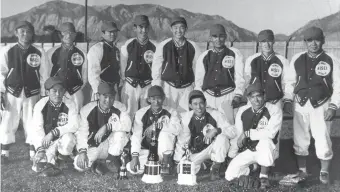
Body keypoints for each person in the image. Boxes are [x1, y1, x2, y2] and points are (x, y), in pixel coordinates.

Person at [282, 26, 340, 184]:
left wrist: (334, 106)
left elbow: (338, 86)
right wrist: (288, 99)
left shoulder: (332, 60)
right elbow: (290, 82)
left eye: (317, 39)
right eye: (309, 40)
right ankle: (302, 171)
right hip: (300, 104)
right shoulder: (297, 59)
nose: (313, 43)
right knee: (300, 138)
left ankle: (324, 172)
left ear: (323, 41)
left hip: (321, 105)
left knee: (322, 138)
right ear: (304, 42)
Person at [0, 21, 50, 163]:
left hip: (32, 93)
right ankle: (4, 153)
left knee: (32, 122)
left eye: (28, 31)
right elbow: (1, 73)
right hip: (12, 92)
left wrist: (44, 96)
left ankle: (33, 152)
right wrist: (0, 92)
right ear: (16, 33)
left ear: (32, 34)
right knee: (8, 120)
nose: (25, 34)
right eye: (22, 31)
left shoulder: (39, 52)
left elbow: (44, 76)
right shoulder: (7, 51)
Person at [225, 83, 282, 189]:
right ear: (248, 98)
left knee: (265, 141)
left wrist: (248, 133)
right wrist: (232, 155)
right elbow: (239, 135)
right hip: (249, 148)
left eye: (258, 96)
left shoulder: (274, 110)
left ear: (264, 96)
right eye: (252, 97)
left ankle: (264, 176)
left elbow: (270, 133)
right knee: (230, 175)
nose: (256, 100)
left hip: (267, 149)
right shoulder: (242, 111)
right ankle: (253, 167)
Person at [174, 90, 235, 180]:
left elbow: (233, 132)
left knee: (222, 138)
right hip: (197, 151)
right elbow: (183, 139)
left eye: (201, 103)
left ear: (205, 103)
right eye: (195, 104)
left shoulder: (215, 114)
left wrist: (217, 130)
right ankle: (206, 164)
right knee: (184, 170)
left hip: (213, 148)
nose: (199, 107)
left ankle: (216, 167)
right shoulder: (187, 118)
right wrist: (177, 159)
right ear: (190, 106)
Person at [74, 82, 131, 175]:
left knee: (120, 134)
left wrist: (107, 126)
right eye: (105, 96)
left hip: (112, 146)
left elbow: (128, 125)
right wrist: (82, 151)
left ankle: (111, 160)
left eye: (111, 97)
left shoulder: (120, 107)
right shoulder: (87, 109)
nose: (108, 100)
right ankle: (101, 163)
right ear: (98, 96)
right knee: (79, 165)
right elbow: (82, 132)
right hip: (94, 145)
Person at [195, 24, 245, 125]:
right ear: (210, 38)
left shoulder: (234, 53)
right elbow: (199, 80)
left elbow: (240, 78)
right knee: (206, 127)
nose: (218, 39)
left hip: (227, 96)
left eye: (221, 36)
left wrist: (238, 95)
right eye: (214, 36)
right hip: (208, 97)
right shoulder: (204, 56)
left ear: (225, 37)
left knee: (229, 127)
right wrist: (199, 98)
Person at [127, 85, 182, 175]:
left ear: (163, 98)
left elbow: (177, 130)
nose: (156, 102)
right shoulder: (141, 113)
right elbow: (136, 135)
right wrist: (135, 156)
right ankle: (157, 165)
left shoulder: (171, 112)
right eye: (153, 99)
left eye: (159, 98)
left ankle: (166, 162)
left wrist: (157, 126)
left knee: (165, 133)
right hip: (147, 150)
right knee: (134, 168)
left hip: (163, 151)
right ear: (148, 99)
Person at [31, 77, 78, 176]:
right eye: (54, 91)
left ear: (64, 91)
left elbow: (74, 125)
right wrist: (41, 149)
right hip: (46, 141)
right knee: (38, 168)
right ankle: (51, 159)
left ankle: (61, 160)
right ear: (47, 92)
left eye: (61, 91)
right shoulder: (40, 105)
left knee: (69, 137)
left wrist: (53, 133)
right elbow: (37, 128)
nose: (58, 94)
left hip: (62, 139)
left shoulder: (70, 103)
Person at [152, 16, 201, 112]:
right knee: (168, 116)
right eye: (175, 28)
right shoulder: (163, 45)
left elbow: (198, 69)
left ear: (186, 29)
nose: (178, 30)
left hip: (187, 88)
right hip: (168, 88)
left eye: (182, 27)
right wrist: (157, 88)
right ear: (171, 29)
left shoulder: (193, 46)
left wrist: (197, 88)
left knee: (186, 117)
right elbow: (156, 68)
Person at [120, 15, 157, 118]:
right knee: (128, 113)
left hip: (147, 85)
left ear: (149, 28)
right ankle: (127, 133)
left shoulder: (155, 46)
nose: (143, 30)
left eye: (146, 27)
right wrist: (125, 80)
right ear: (135, 28)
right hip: (130, 85)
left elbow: (156, 69)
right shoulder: (128, 44)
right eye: (140, 27)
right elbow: (123, 66)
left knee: (146, 114)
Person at [47, 22, 87, 112]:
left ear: (75, 35)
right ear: (60, 34)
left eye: (71, 33)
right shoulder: (51, 52)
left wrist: (77, 88)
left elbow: (84, 76)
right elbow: (47, 74)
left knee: (76, 116)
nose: (68, 35)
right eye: (65, 32)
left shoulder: (82, 53)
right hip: (57, 92)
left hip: (75, 91)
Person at [244, 29, 289, 109]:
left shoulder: (282, 60)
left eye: (269, 41)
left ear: (274, 41)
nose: (267, 44)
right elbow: (246, 81)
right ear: (260, 43)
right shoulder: (251, 60)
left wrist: (287, 99)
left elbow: (286, 82)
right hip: (255, 102)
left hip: (274, 102)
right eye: (263, 41)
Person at [87, 21, 121, 101]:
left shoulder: (116, 49)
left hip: (114, 88)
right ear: (103, 33)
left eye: (115, 32)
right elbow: (93, 72)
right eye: (110, 32)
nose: (113, 34)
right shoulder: (97, 49)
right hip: (101, 89)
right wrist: (97, 90)